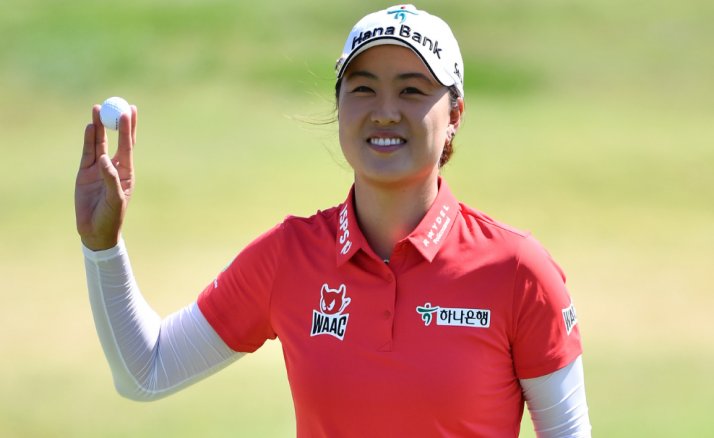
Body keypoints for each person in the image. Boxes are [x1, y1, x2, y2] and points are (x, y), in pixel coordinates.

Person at [75, 5, 591, 438]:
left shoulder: (518, 271)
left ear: (455, 113)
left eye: (412, 91)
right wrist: (103, 246)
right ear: (340, 106)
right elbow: (147, 370)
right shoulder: (289, 256)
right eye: (363, 89)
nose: (385, 111)